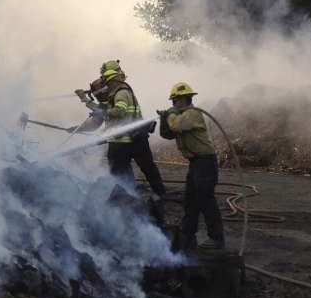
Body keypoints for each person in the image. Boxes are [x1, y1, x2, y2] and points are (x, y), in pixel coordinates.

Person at [75, 60, 166, 199]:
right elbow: (97, 119)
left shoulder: (121, 92)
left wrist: (86, 101)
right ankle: (143, 197)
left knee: (122, 174)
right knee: (144, 170)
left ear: (110, 79)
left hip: (122, 142)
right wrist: (78, 127)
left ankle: (138, 198)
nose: (104, 85)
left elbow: (118, 111)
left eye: (105, 80)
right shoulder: (115, 95)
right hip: (135, 139)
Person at [159, 82, 225, 250]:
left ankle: (216, 239)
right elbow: (167, 134)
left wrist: (171, 114)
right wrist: (164, 119)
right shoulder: (180, 115)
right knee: (190, 200)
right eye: (172, 102)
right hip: (196, 163)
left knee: (206, 199)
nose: (173, 104)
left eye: (175, 101)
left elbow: (177, 126)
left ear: (183, 99)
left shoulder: (192, 114)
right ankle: (187, 235)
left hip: (205, 162)